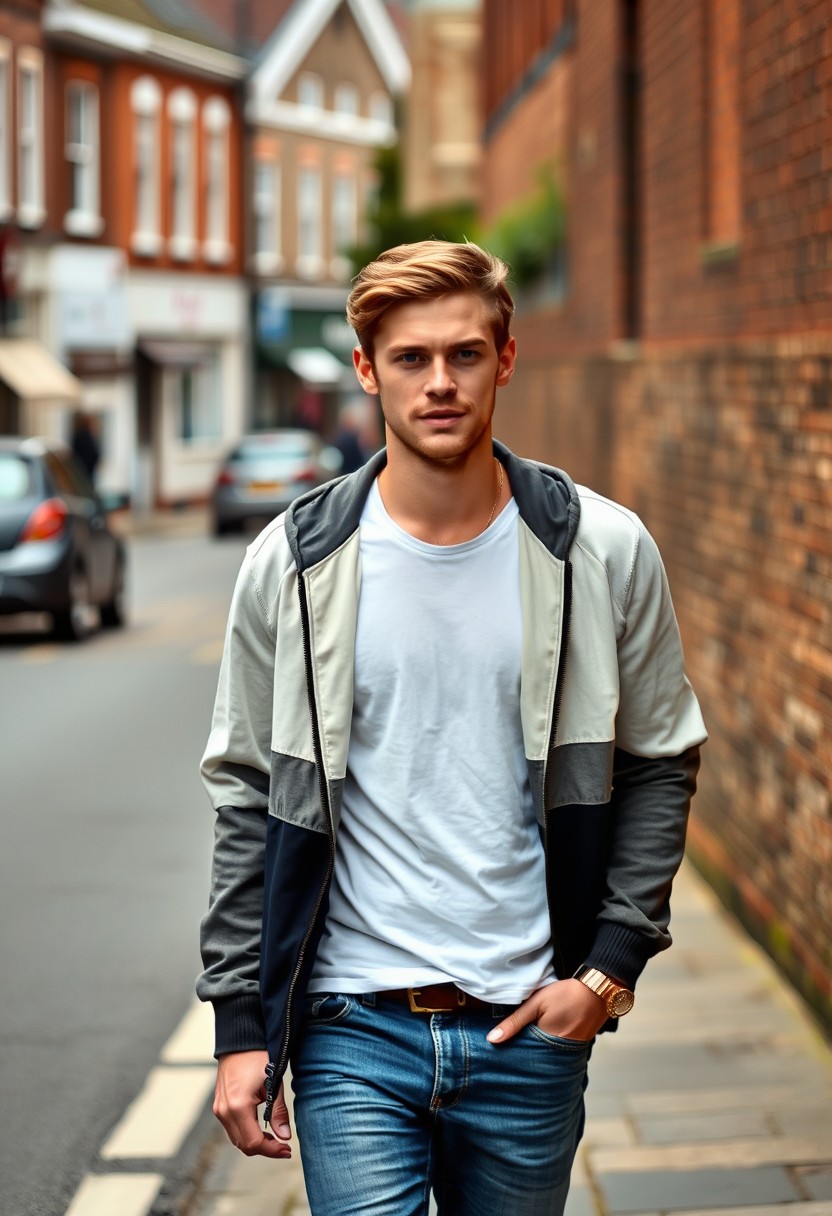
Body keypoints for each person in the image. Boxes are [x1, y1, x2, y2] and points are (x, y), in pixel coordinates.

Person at [198, 240, 707, 1215]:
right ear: (364, 369)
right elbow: (246, 793)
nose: (439, 383)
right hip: (350, 1022)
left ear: (505, 358)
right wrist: (240, 1027)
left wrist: (604, 976)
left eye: (465, 355)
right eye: (409, 358)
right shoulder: (293, 565)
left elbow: (659, 760)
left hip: (528, 1022)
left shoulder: (598, 549)